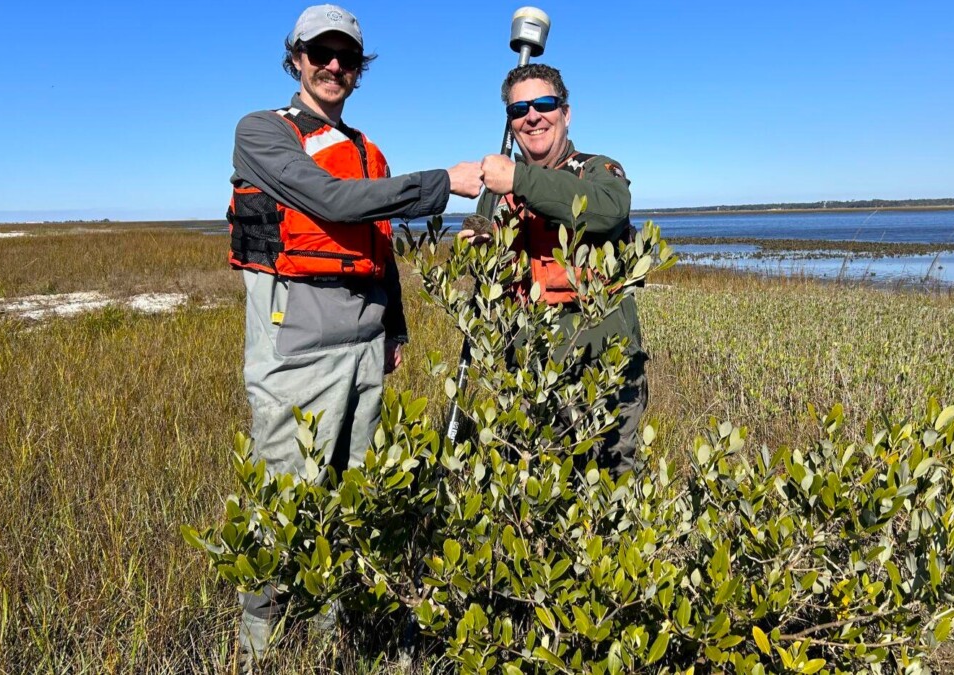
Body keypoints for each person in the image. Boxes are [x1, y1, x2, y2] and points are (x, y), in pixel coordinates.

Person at [226, 4, 482, 660]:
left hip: (366, 350)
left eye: (347, 56)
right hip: (296, 352)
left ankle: (325, 645)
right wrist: (444, 183)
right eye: (321, 53)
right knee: (284, 507)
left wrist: (394, 327)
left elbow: (379, 245)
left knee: (349, 504)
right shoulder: (262, 131)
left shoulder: (369, 149)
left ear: (359, 70)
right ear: (297, 58)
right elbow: (330, 202)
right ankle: (254, 652)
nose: (334, 65)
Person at [466, 63, 646, 476]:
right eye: (519, 110)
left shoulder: (599, 171)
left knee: (609, 495)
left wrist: (519, 178)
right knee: (528, 491)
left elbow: (608, 211)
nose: (532, 116)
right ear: (511, 124)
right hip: (523, 376)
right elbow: (484, 278)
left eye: (544, 104)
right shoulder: (497, 192)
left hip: (602, 372)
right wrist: (477, 244)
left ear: (566, 113)